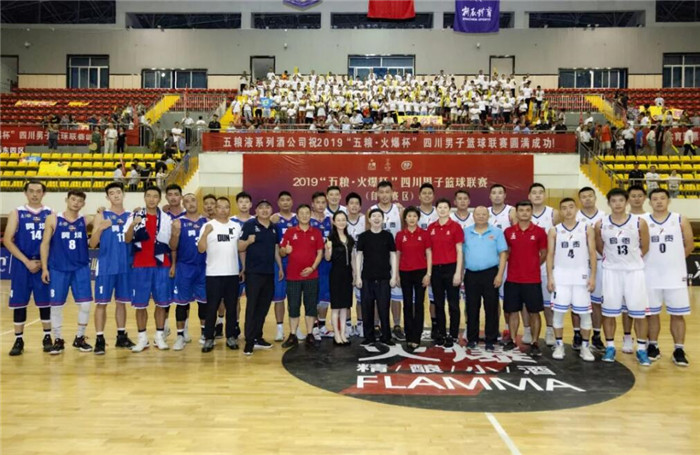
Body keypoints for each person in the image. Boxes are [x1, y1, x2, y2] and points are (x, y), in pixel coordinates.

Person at [594, 188, 651, 366]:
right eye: (613, 201)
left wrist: (631, 261)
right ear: (608, 203)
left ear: (626, 202)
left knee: (639, 313)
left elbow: (645, 246)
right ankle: (610, 347)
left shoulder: (639, 222)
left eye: (620, 200)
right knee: (609, 312)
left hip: (634, 272)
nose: (617, 204)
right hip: (611, 272)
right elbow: (599, 246)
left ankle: (641, 349)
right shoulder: (601, 224)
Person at [642, 189, 692, 366]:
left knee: (678, 315)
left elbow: (689, 245)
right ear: (650, 202)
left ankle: (679, 349)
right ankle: (653, 345)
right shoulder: (643, 220)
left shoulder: (679, 219)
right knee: (651, 314)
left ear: (668, 200)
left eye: (662, 198)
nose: (659, 201)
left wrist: (674, 261)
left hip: (675, 276)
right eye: (655, 199)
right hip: (650, 275)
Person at [40, 190, 94, 354]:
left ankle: (80, 337)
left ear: (83, 204)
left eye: (79, 201)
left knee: (85, 305)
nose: (76, 203)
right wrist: (44, 268)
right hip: (58, 268)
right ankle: (58, 339)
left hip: (80, 268)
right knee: (56, 306)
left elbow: (103, 219)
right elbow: (45, 244)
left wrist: (101, 211)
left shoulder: (86, 219)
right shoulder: (53, 219)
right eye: (73, 199)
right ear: (67, 200)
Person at [4, 181, 53, 356]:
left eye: (38, 191)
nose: (34, 194)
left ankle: (47, 337)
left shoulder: (50, 213)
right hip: (21, 264)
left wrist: (42, 262)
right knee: (19, 303)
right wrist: (27, 262)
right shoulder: (16, 213)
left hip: (43, 264)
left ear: (43, 193)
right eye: (31, 191)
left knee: (45, 302)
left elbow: (53, 241)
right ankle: (18, 340)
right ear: (25, 193)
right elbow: (7, 240)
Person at [546, 198, 597, 362]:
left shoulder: (586, 228)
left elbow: (592, 253)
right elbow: (550, 255)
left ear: (576, 209)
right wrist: (550, 277)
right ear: (560, 211)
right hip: (561, 277)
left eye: (570, 207)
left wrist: (593, 276)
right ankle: (559, 345)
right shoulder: (554, 230)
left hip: (581, 277)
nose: (568, 210)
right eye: (564, 208)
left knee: (585, 314)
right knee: (558, 313)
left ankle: (585, 347)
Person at [124, 186, 173, 352]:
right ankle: (142, 338)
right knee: (140, 305)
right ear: (144, 198)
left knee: (161, 303)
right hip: (140, 265)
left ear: (159, 199)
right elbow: (127, 239)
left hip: (161, 264)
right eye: (149, 196)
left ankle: (159, 336)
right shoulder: (135, 215)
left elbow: (171, 243)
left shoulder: (166, 218)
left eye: (155, 196)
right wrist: (133, 225)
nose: (152, 199)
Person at [90, 182, 136, 354]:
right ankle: (99, 339)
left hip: (125, 266)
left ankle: (121, 336)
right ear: (107, 197)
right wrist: (100, 229)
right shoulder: (101, 215)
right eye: (112, 193)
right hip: (106, 266)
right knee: (101, 304)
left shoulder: (131, 216)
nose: (116, 195)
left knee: (121, 303)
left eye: (118, 192)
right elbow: (92, 243)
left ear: (124, 194)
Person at [238, 200, 284, 356]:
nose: (264, 210)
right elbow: (240, 247)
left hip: (269, 273)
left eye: (267, 207)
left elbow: (276, 248)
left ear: (271, 210)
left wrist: (280, 267)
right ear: (256, 210)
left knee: (263, 307)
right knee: (252, 307)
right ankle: (249, 342)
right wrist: (248, 242)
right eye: (261, 208)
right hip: (253, 273)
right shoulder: (250, 225)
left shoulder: (274, 227)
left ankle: (258, 336)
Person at [503, 201, 547, 357]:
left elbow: (544, 253)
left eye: (528, 210)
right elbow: (506, 252)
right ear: (516, 212)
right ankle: (512, 339)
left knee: (534, 312)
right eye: (521, 210)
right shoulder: (508, 232)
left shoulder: (540, 232)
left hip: (532, 280)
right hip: (513, 278)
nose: (524, 213)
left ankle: (534, 342)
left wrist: (533, 265)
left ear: (531, 212)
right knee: (512, 312)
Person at [198, 197, 242, 352]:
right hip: (214, 274)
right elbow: (201, 249)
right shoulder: (207, 226)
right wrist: (205, 234)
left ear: (230, 209)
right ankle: (209, 338)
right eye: (220, 207)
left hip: (232, 273)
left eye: (226, 207)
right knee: (211, 308)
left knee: (231, 307)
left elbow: (240, 248)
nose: (223, 210)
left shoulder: (236, 226)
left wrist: (243, 268)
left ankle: (231, 336)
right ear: (215, 209)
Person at [462, 206, 506, 351]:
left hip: (491, 274)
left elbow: (503, 254)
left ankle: (490, 339)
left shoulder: (497, 232)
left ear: (488, 216)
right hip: (471, 274)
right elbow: (461, 254)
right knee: (472, 307)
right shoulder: (466, 232)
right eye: (478, 214)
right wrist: (460, 273)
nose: (481, 216)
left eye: (484, 214)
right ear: (473, 216)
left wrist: (499, 275)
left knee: (491, 307)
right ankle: (472, 339)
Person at [279, 204, 323, 348]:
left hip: (312, 276)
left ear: (310, 215)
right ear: (297, 216)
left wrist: (312, 268)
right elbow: (281, 251)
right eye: (301, 213)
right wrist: (285, 251)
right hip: (293, 277)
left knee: (311, 306)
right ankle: (293, 335)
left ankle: (310, 334)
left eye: (307, 213)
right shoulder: (290, 232)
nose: (304, 215)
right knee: (293, 306)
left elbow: (320, 253)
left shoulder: (316, 232)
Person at [169, 194, 208, 350]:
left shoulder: (206, 222)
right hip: (184, 267)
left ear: (197, 202)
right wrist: (175, 234)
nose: (191, 204)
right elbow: (173, 247)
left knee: (203, 302)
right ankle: (180, 336)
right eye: (187, 201)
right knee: (181, 303)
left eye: (193, 200)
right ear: (183, 204)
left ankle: (205, 334)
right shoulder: (178, 222)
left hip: (203, 267)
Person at [356, 208, 398, 346]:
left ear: (383, 219)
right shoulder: (363, 236)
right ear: (369, 219)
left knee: (384, 308)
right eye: (373, 216)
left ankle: (386, 336)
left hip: (384, 278)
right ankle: (369, 337)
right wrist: (358, 276)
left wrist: (394, 276)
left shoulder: (388, 236)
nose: (376, 218)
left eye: (379, 216)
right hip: (367, 278)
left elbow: (393, 255)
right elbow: (358, 256)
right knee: (367, 309)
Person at [369, 180, 404, 340]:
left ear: (392, 193)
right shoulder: (371, 210)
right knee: (377, 293)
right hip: (377, 259)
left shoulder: (399, 210)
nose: (384, 195)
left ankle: (396, 325)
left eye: (387, 192)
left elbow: (404, 234)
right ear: (377, 193)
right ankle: (376, 325)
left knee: (396, 293)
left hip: (395, 257)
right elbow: (367, 235)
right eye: (381, 192)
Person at [427, 198, 464, 348]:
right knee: (438, 303)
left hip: (451, 268)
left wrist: (458, 272)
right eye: (440, 207)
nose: (442, 210)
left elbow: (459, 251)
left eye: (445, 207)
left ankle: (453, 334)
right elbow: (429, 252)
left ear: (449, 210)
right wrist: (429, 273)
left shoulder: (456, 227)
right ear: (436, 210)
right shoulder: (431, 228)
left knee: (453, 304)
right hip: (436, 270)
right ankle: (441, 333)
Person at [528, 183, 560, 347]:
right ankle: (527, 330)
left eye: (540, 192)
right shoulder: (523, 213)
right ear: (529, 196)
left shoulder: (553, 213)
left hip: (547, 263)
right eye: (534, 192)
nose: (537, 195)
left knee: (548, 302)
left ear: (545, 195)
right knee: (527, 301)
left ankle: (549, 330)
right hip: (527, 264)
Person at [395, 207, 431, 350]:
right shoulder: (400, 235)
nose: (411, 218)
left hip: (421, 272)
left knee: (419, 304)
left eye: (414, 216)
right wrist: (397, 274)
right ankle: (409, 335)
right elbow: (398, 254)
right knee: (407, 304)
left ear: (418, 218)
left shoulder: (424, 234)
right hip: (405, 272)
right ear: (405, 218)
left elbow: (428, 253)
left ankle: (417, 336)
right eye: (409, 216)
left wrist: (428, 274)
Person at [575, 187, 606, 351]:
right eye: (584, 197)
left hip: (599, 263)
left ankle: (596, 334)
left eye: (590, 196)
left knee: (596, 302)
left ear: (595, 198)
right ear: (580, 199)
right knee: (576, 302)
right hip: (578, 264)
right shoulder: (574, 217)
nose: (587, 199)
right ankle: (577, 334)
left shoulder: (604, 217)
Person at [270, 192, 298, 342]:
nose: (285, 202)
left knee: (295, 297)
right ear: (278, 202)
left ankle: (295, 328)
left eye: (288, 200)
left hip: (296, 263)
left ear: (292, 202)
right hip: (279, 263)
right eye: (282, 200)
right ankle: (280, 329)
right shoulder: (273, 219)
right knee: (279, 297)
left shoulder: (298, 218)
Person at [325, 211, 356, 346]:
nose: (341, 222)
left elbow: (353, 257)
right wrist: (328, 249)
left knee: (345, 306)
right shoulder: (331, 238)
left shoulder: (350, 238)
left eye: (343, 219)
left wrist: (355, 274)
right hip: (336, 274)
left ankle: (343, 333)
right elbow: (327, 258)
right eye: (338, 220)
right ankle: (336, 334)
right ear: (334, 222)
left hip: (347, 274)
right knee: (336, 307)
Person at [309, 191, 334, 339]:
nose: (320, 205)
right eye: (317, 202)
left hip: (326, 263)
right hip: (312, 263)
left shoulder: (330, 220)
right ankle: (313, 327)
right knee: (313, 295)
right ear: (312, 204)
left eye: (323, 202)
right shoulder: (307, 220)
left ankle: (323, 326)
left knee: (325, 295)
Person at [230, 191, 254, 339]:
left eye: (246, 202)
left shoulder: (256, 220)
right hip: (234, 265)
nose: (244, 204)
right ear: (237, 204)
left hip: (253, 266)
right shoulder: (231, 222)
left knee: (253, 299)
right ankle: (235, 325)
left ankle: (251, 328)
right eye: (241, 202)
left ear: (251, 204)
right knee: (235, 298)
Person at [345, 192, 366, 337]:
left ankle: (360, 324)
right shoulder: (341, 220)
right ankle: (347, 324)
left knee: (361, 297)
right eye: (351, 203)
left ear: (360, 207)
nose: (354, 206)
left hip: (362, 264)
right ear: (346, 206)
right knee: (346, 297)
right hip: (345, 265)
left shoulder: (365, 220)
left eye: (356, 203)